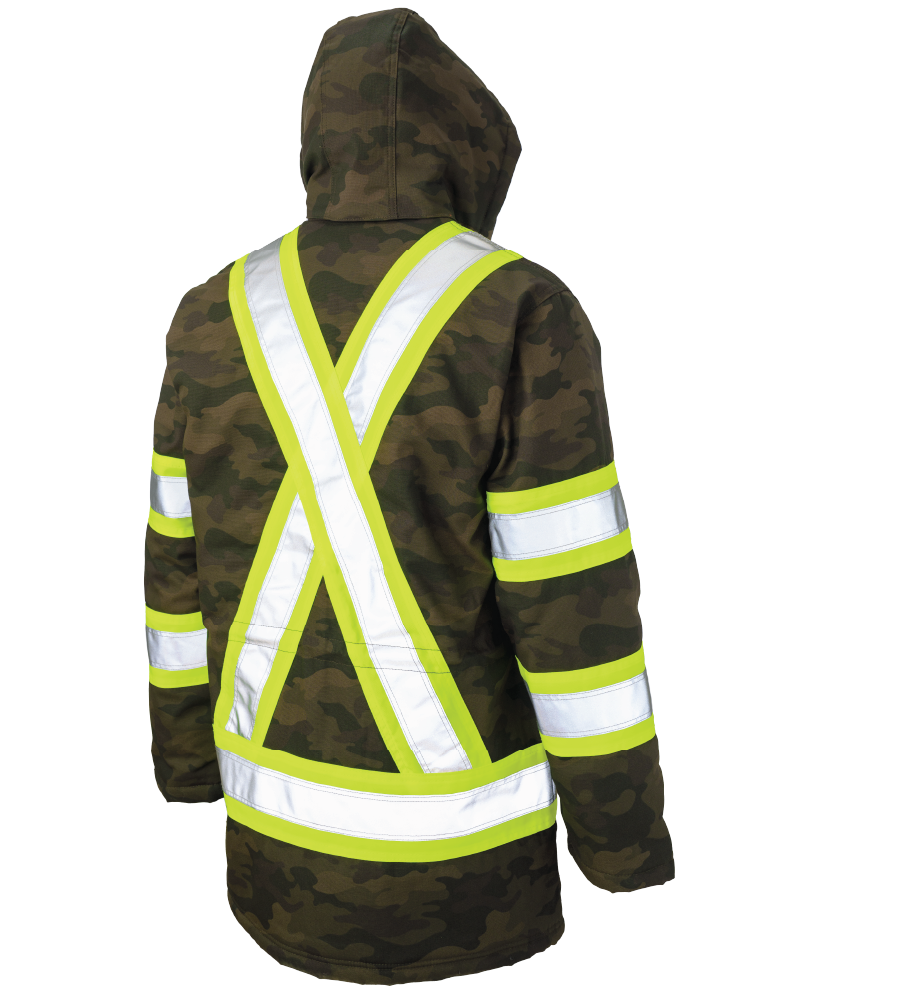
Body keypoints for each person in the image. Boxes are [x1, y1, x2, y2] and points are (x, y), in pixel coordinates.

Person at [145, 7, 674, 985]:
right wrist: (622, 843)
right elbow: (575, 609)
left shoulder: (210, 311)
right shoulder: (521, 307)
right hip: (472, 879)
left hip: (268, 857)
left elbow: (174, 578)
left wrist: (184, 764)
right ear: (465, 147)